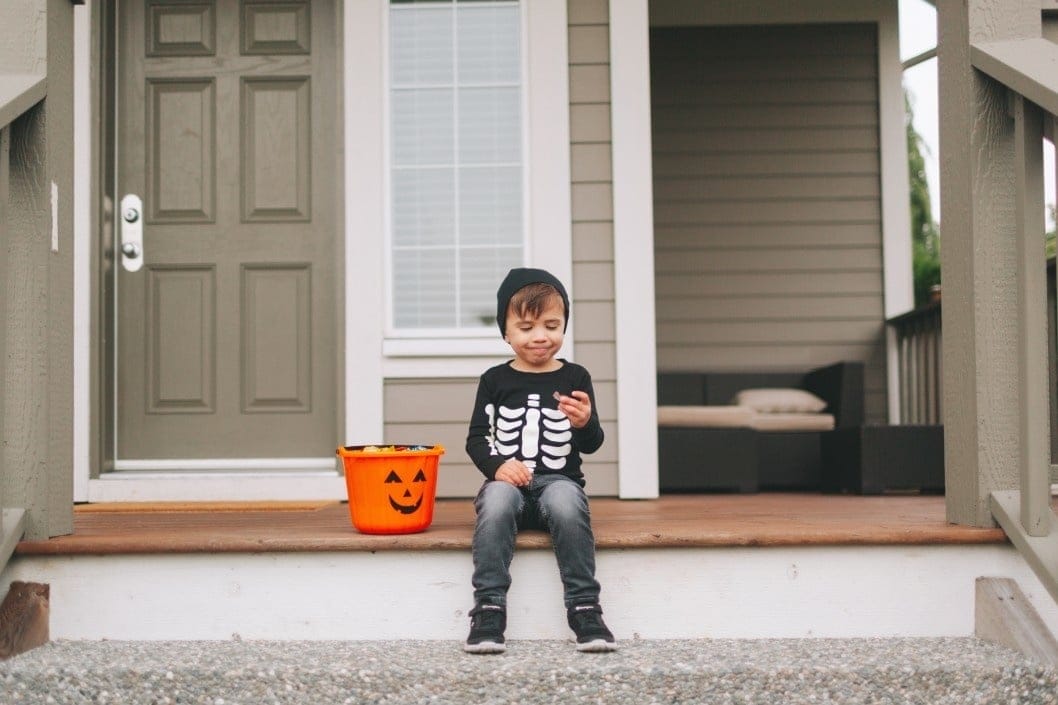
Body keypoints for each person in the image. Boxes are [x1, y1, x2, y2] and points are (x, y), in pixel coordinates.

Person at [463, 267, 616, 654]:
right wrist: (497, 466)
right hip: (507, 483)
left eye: (552, 324)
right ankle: (488, 609)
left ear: (564, 325)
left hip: (559, 483)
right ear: (506, 332)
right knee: (496, 501)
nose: (540, 336)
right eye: (527, 326)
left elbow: (592, 443)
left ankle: (585, 608)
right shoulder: (494, 380)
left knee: (566, 500)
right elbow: (477, 439)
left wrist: (585, 423)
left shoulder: (576, 376)